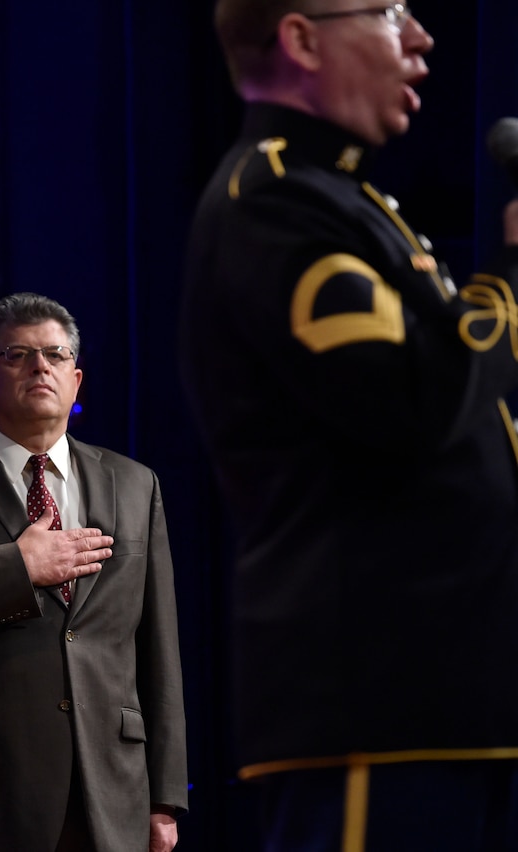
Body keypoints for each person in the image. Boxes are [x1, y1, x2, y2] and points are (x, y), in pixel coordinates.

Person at [181, 2, 518, 847]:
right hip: (383, 707)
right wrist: (511, 287)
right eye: (390, 12)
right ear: (301, 39)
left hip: (459, 698)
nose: (421, 37)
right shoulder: (274, 204)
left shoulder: (345, 198)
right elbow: (419, 396)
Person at [0, 292, 188, 852]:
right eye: (18, 355)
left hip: (114, 785)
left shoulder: (134, 483)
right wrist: (15, 569)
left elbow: (158, 644)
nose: (39, 366)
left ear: (77, 379)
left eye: (55, 354)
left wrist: (166, 795)